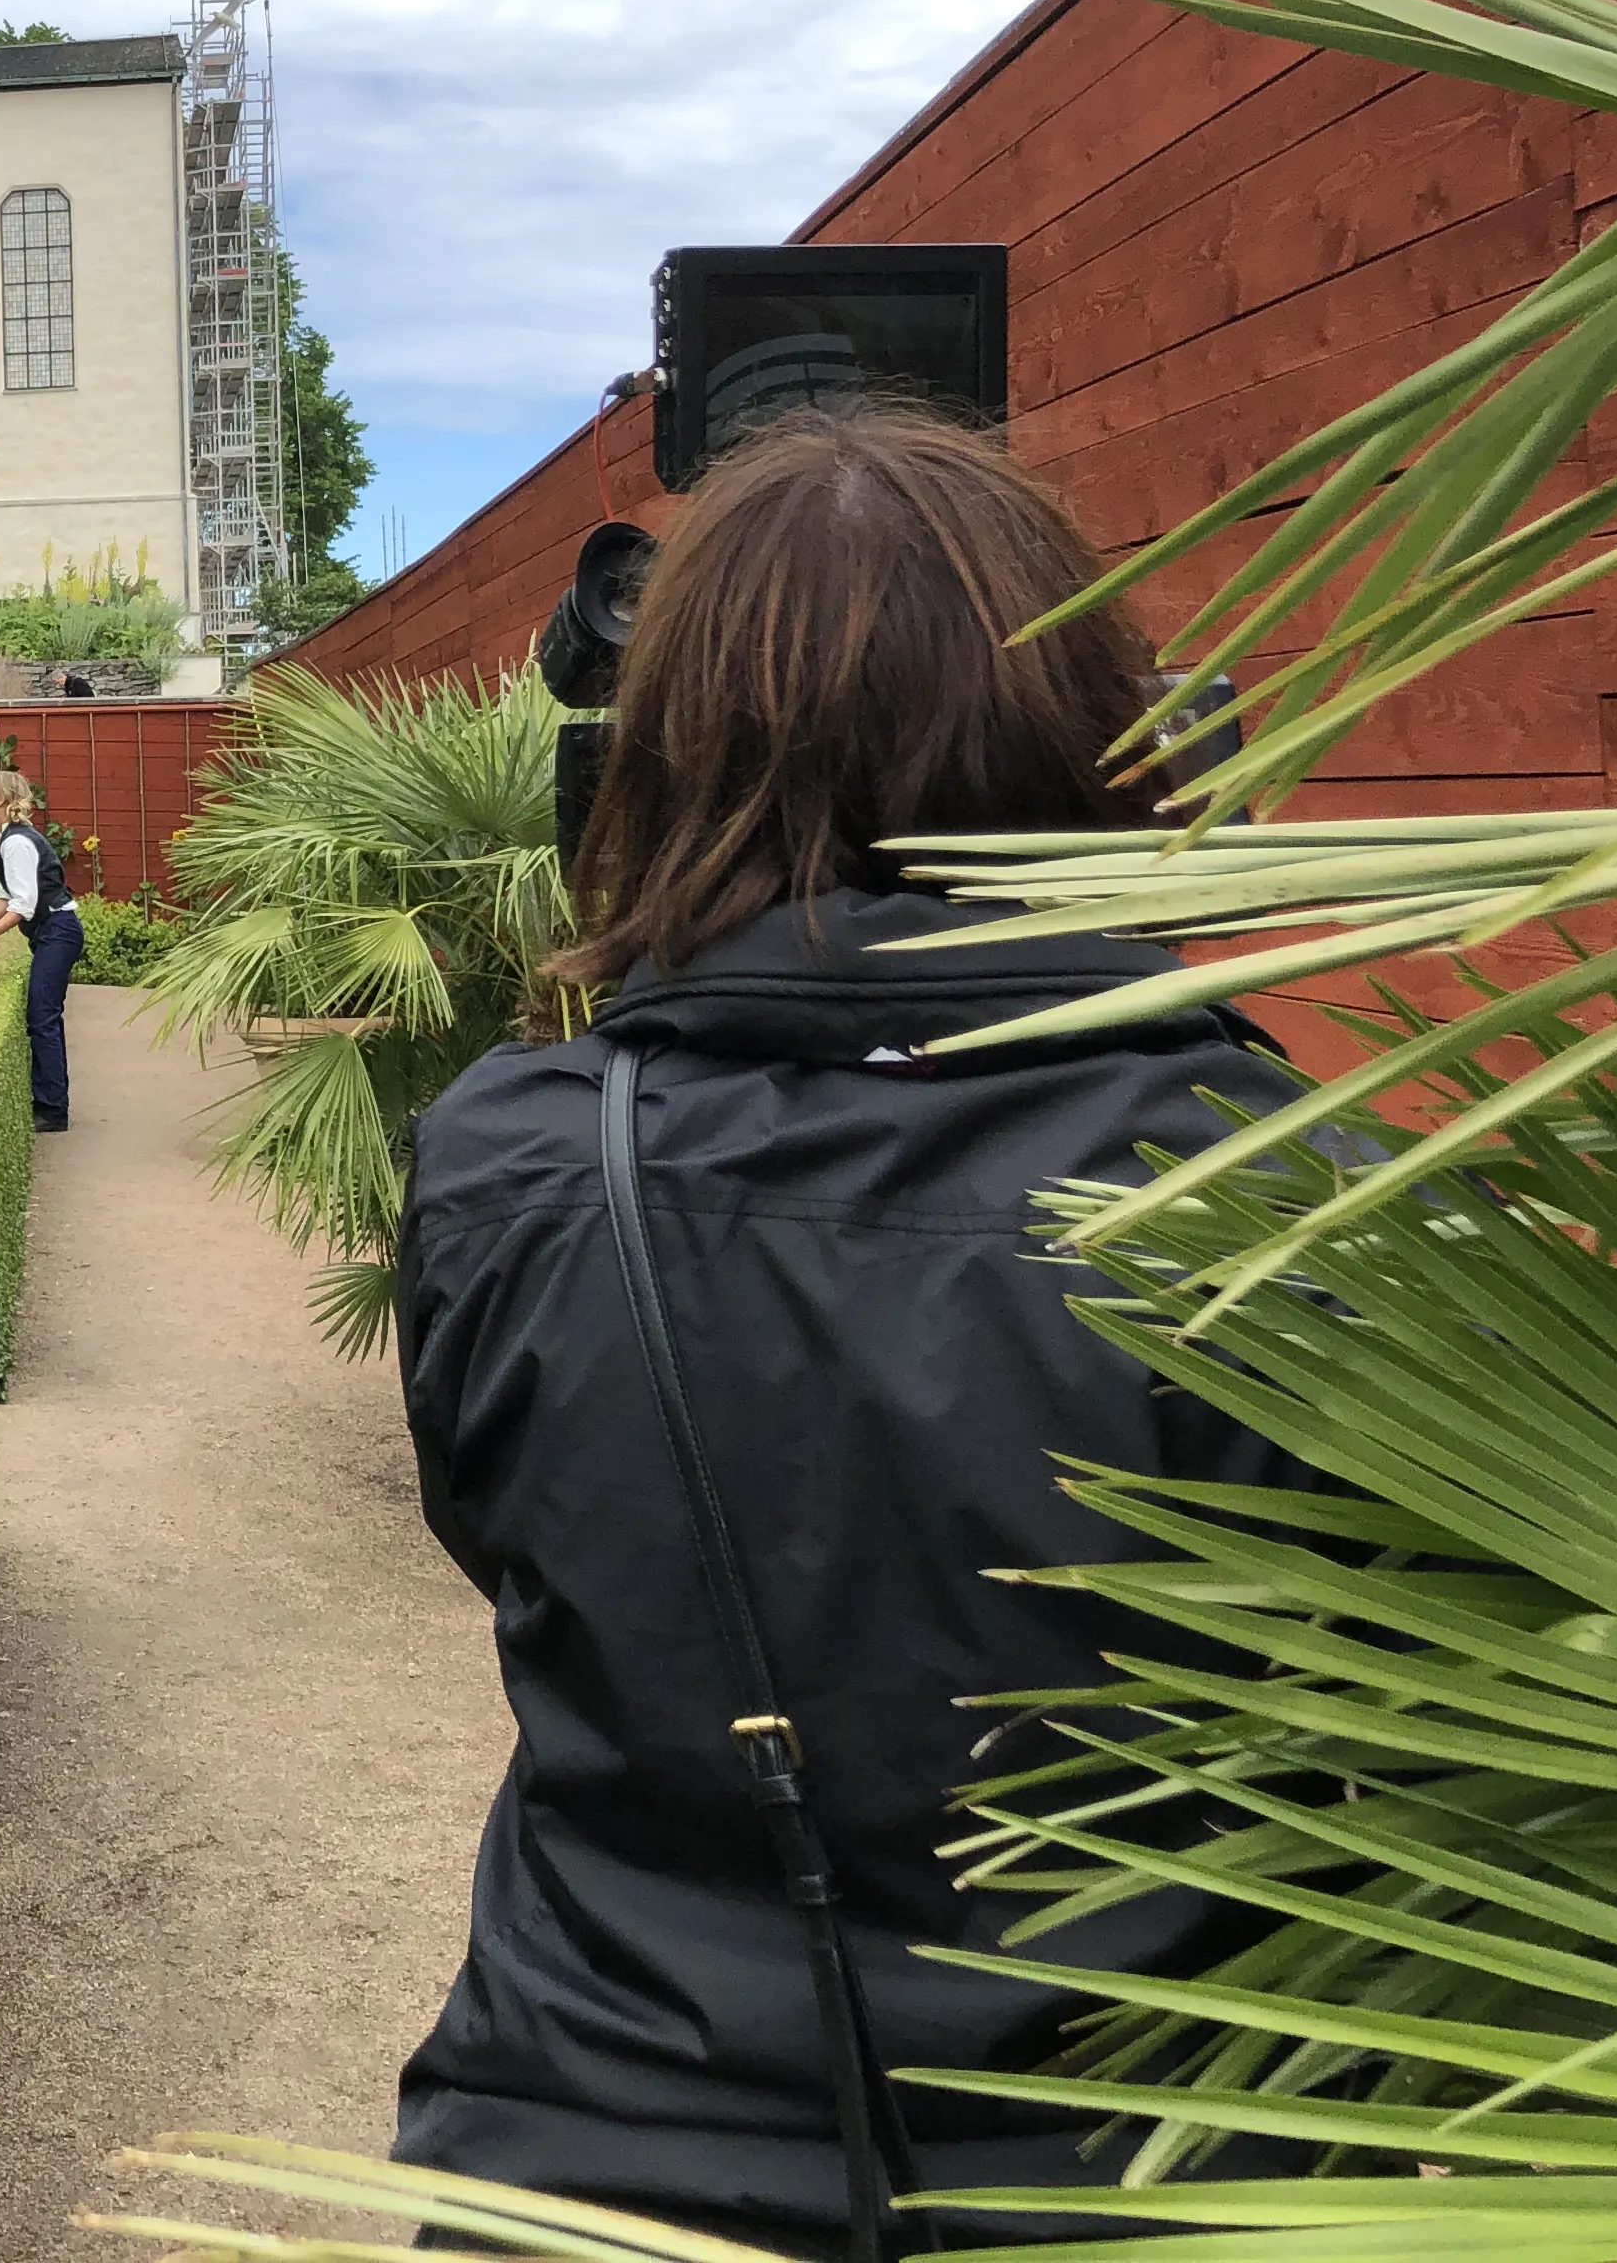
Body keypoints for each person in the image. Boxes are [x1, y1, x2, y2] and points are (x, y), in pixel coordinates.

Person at [392, 408, 1309, 2255]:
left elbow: (512, 1541)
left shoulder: (504, 1167)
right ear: (1107, 736)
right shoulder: (1299, 1195)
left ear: (650, 759)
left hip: (580, 2172)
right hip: (1152, 2182)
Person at [0, 767, 81, 1132]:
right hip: (53, 931)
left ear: (2, 800)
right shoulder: (8, 838)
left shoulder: (17, 843)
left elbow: (24, 904)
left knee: (42, 1017)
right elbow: (4, 898)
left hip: (58, 931)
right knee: (43, 1016)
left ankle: (53, 1111)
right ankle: (48, 1102)